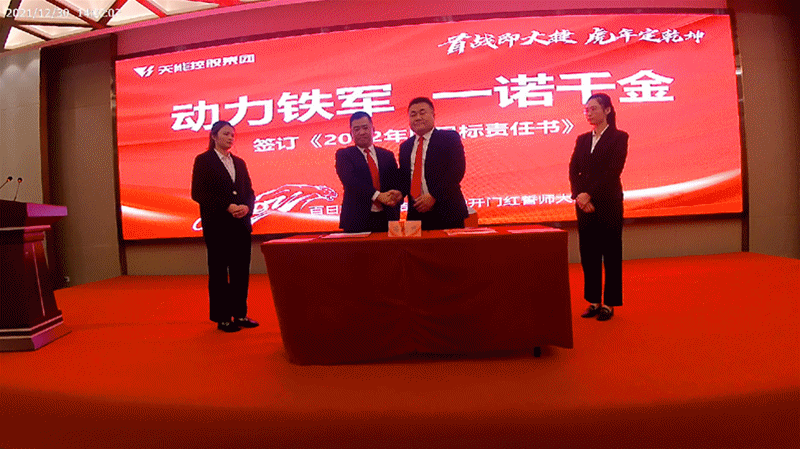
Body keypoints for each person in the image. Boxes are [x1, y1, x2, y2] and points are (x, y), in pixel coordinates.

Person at [191, 120, 259, 332]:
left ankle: (240, 314)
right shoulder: (204, 160)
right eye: (226, 134)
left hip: (241, 225)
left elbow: (249, 192)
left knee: (241, 271)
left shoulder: (239, 162)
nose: (230, 138)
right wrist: (227, 206)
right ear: (214, 136)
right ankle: (223, 317)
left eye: (232, 134)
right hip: (218, 226)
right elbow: (198, 193)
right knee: (219, 272)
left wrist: (246, 208)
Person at [569, 93, 629, 321]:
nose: (589, 113)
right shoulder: (583, 139)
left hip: (608, 203)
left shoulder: (619, 137)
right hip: (584, 206)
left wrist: (589, 194)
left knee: (611, 253)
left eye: (594, 108)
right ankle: (593, 300)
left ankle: (610, 303)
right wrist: (579, 196)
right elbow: (573, 169)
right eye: (587, 109)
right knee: (589, 253)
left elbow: (612, 171)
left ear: (607, 110)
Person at [399, 97, 468, 230]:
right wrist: (398, 193)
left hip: (447, 211)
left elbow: (457, 170)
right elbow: (405, 178)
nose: (418, 118)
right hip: (416, 214)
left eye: (422, 112)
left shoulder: (449, 138)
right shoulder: (405, 147)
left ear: (433, 115)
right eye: (413, 114)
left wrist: (433, 196)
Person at [335, 111, 402, 233]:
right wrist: (378, 196)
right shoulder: (344, 155)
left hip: (386, 218)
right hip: (357, 221)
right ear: (351, 133)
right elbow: (351, 181)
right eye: (357, 129)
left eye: (365, 128)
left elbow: (395, 181)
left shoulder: (387, 155)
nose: (362, 132)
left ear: (373, 130)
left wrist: (397, 196)